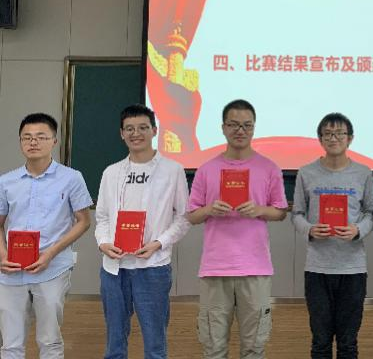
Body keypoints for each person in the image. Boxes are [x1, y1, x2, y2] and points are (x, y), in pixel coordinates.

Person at [187, 99, 288, 359]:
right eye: (233, 124)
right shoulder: (206, 169)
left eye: (246, 125)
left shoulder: (269, 168)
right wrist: (209, 209)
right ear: (223, 127)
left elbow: (280, 212)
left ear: (254, 128)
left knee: (254, 347)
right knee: (213, 348)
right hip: (215, 269)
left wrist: (259, 210)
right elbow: (192, 216)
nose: (240, 130)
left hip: (255, 268)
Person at [94, 104, 191, 359]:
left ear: (154, 130)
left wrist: (159, 243)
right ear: (121, 133)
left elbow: (183, 218)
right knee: (114, 342)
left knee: (155, 343)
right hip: (114, 269)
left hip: (153, 267)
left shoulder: (173, 170)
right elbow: (102, 217)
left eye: (142, 128)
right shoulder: (111, 172)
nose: (135, 133)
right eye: (129, 129)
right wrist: (103, 242)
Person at [0, 112, 93, 358]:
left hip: (52, 268)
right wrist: (2, 255)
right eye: (27, 137)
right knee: (10, 343)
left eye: (41, 137)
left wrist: (50, 253)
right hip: (11, 270)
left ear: (54, 141)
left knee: (49, 340)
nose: (33, 142)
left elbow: (84, 221)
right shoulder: (6, 181)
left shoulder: (72, 178)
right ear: (20, 142)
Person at [291, 112, 373, 359]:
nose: (333, 138)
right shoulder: (306, 172)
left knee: (348, 343)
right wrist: (309, 229)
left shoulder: (363, 173)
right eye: (327, 134)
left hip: (353, 268)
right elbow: (296, 214)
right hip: (317, 268)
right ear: (320, 139)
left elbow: (371, 213)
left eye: (339, 133)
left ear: (350, 138)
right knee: (320, 342)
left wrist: (358, 230)